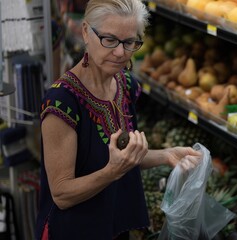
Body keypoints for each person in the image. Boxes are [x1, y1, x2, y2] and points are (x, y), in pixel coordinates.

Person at [35, 0, 202, 239]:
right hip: (74, 230)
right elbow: (61, 194)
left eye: (129, 42)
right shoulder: (62, 102)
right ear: (85, 32)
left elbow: (123, 157)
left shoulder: (126, 85)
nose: (120, 52)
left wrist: (166, 155)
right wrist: (111, 172)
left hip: (113, 226)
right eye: (109, 40)